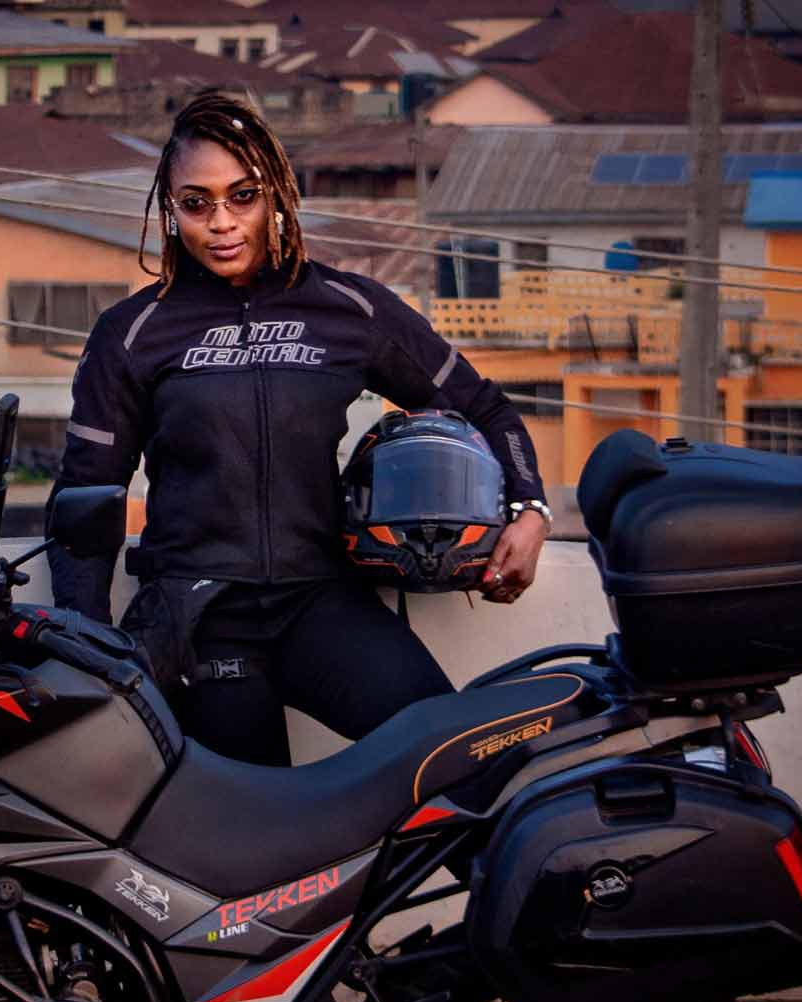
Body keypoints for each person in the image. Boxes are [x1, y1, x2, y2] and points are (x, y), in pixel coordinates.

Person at [46, 92, 550, 766]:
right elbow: (84, 501)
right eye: (197, 204)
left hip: (322, 602)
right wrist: (92, 651)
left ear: (276, 194)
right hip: (199, 619)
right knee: (256, 840)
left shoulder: (347, 309)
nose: (221, 223)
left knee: (467, 764)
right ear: (170, 210)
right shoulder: (132, 333)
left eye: (242, 196)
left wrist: (530, 507)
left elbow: (485, 407)